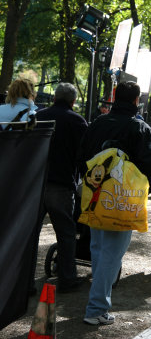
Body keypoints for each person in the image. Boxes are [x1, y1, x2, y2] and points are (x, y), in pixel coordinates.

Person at [79, 81, 151, 326]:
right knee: (112, 255)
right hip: (121, 200)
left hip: (94, 196)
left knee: (98, 250)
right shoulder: (140, 128)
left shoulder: (98, 123)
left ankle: (97, 304)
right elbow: (150, 165)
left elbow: (82, 156)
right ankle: (96, 309)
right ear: (136, 100)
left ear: (115, 96)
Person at [34, 83, 88, 293]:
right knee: (65, 234)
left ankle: (25, 281)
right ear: (73, 101)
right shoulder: (77, 122)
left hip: (35, 185)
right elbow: (83, 155)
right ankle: (67, 278)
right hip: (62, 184)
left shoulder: (39, 116)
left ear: (54, 97)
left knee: (31, 235)